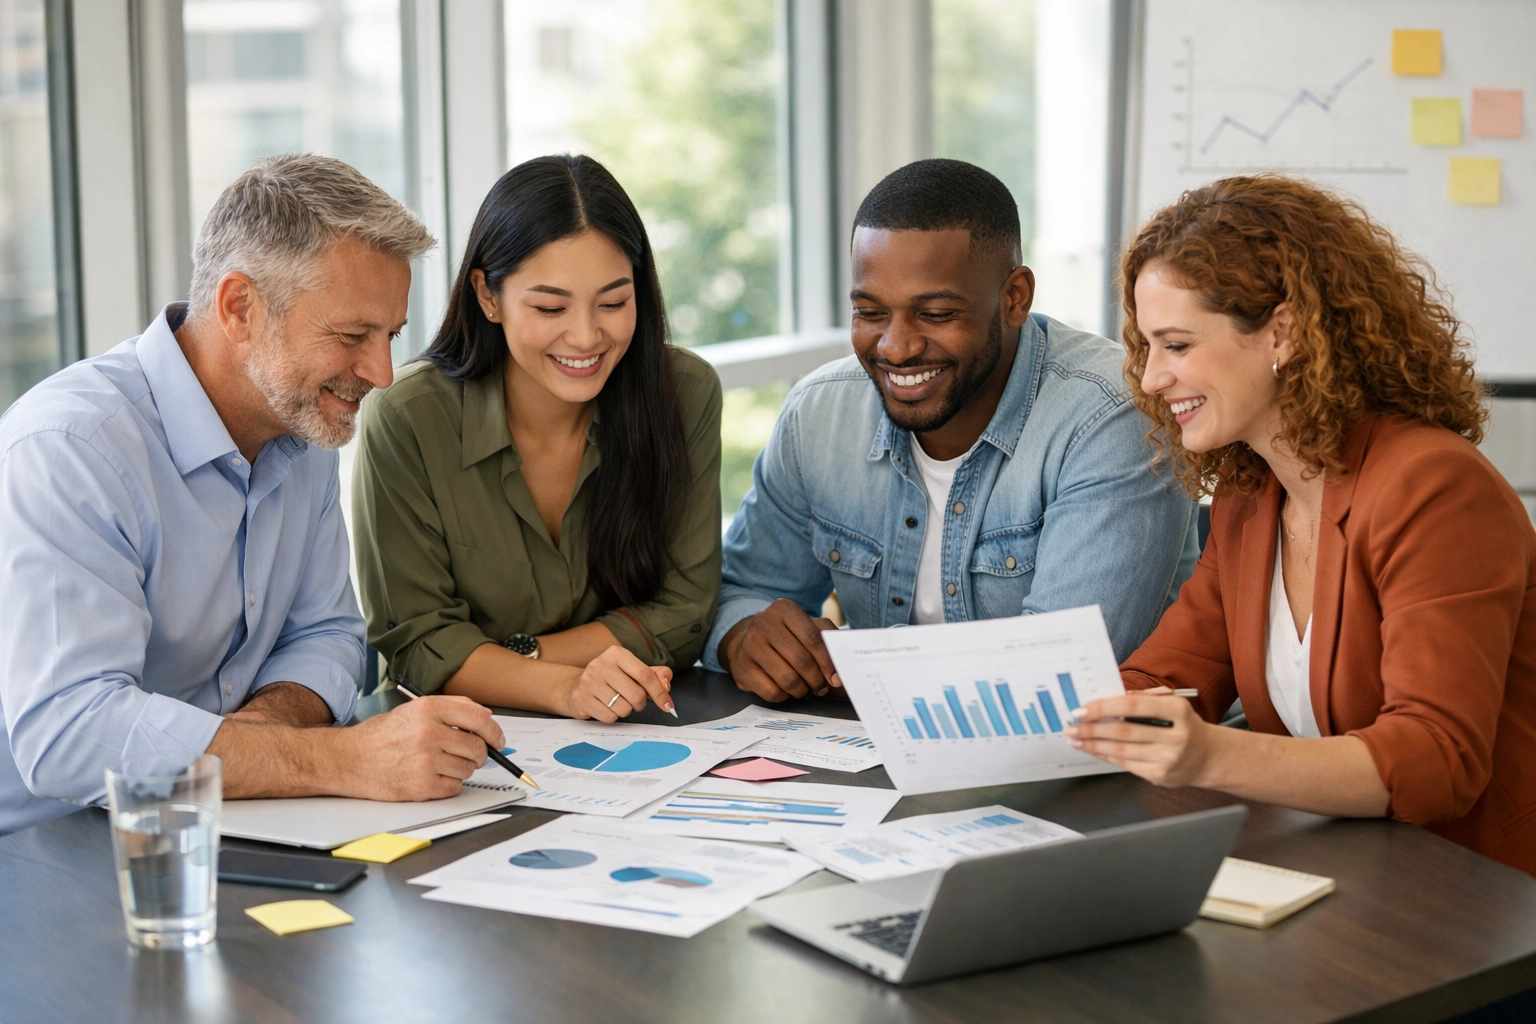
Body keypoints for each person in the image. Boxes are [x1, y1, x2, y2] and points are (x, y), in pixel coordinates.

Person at [0, 154, 508, 836]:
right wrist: (340, 760)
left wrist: (263, 738)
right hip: (50, 848)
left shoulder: (302, 425)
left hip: (231, 817)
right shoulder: (72, 448)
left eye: (389, 336)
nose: (382, 373)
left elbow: (328, 635)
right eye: (352, 335)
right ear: (240, 307)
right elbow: (68, 733)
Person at [1068, 174, 1536, 877]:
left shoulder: (1435, 487)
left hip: (1472, 898)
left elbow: (1438, 759)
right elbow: (1165, 676)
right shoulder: (1252, 497)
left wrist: (1212, 754)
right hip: (1342, 872)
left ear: (1282, 333)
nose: (1152, 378)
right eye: (1148, 347)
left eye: (1177, 345)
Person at [705, 158, 1200, 701]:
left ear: (1015, 298)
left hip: (1083, 750)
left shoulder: (1114, 416)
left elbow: (1058, 672)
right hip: (869, 744)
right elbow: (744, 590)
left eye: (936, 314)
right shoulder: (820, 412)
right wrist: (744, 635)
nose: (896, 348)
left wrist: (864, 665)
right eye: (870, 312)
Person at [352, 155, 721, 722]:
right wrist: (565, 686)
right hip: (454, 734)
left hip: (631, 723)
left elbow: (685, 612)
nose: (586, 336)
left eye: (614, 303)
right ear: (488, 296)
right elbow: (419, 646)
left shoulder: (685, 393)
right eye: (550, 306)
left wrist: (516, 658)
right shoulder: (407, 418)